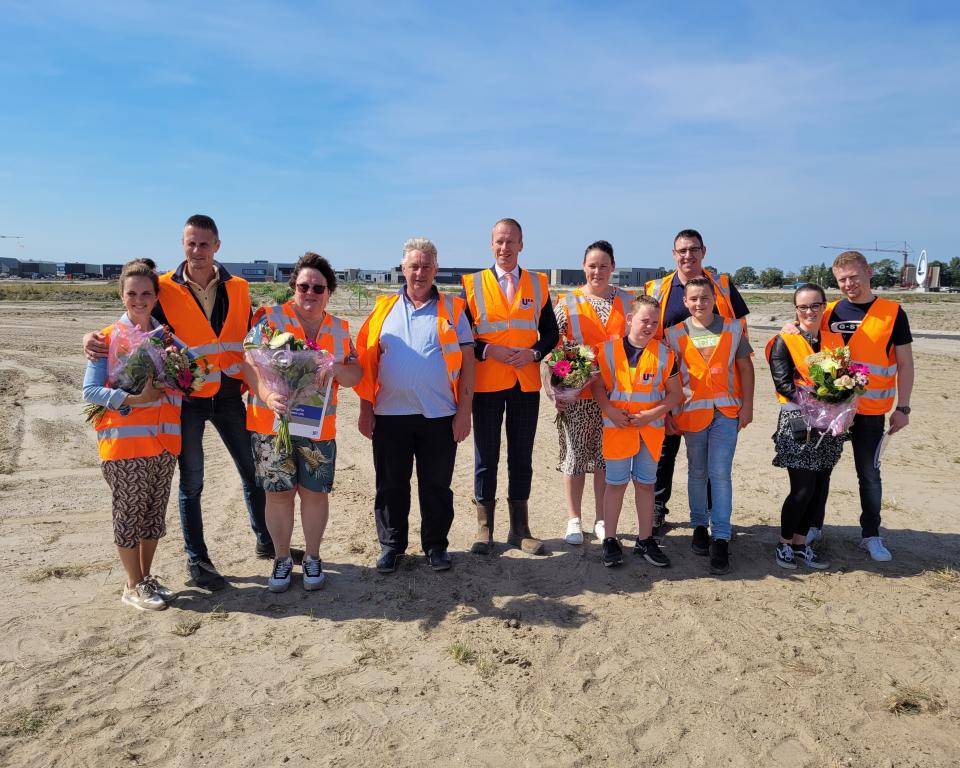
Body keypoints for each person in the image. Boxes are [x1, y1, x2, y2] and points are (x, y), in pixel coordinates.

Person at [84, 215, 272, 591]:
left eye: (204, 244)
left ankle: (268, 542)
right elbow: (134, 319)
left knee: (253, 473)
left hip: (231, 393)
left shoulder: (240, 287)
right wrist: (91, 338)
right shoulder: (164, 287)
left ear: (217, 245)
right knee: (193, 482)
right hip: (189, 398)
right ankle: (198, 561)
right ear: (182, 245)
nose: (197, 251)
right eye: (190, 244)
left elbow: (249, 329)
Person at [355, 238, 475, 573]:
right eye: (413, 266)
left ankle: (436, 546)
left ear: (436, 269)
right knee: (391, 485)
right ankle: (392, 546)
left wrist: (464, 413)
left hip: (439, 415)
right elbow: (367, 364)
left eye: (426, 266)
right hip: (389, 415)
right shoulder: (382, 310)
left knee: (436, 485)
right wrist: (366, 410)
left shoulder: (453, 310)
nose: (419, 273)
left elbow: (468, 366)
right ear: (403, 269)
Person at [244, 252, 361, 592]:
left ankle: (312, 557)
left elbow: (355, 374)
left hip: (317, 429)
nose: (310, 292)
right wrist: (267, 395)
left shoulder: (339, 330)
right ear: (293, 287)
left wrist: (336, 369)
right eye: (303, 285)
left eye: (318, 287)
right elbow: (248, 363)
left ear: (329, 291)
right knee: (278, 495)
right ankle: (281, 559)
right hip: (272, 426)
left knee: (314, 494)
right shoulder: (269, 319)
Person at [82, 259, 180, 611]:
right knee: (129, 516)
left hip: (164, 443)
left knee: (153, 516)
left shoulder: (167, 338)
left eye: (146, 293)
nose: (139, 299)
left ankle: (146, 577)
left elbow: (193, 369)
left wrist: (183, 374)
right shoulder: (105, 340)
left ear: (156, 297)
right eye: (132, 293)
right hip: (124, 445)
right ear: (122, 295)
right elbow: (90, 391)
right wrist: (134, 399)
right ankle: (132, 584)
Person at [461, 218, 560, 555]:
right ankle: (484, 528)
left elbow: (551, 333)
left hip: (524, 383)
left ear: (521, 244)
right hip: (486, 383)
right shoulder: (472, 284)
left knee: (522, 455)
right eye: (499, 242)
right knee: (486, 456)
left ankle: (519, 529)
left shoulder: (539, 284)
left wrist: (534, 353)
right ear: (491, 245)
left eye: (511, 242)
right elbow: (462, 335)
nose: (505, 248)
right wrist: (488, 349)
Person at [644, 229, 750, 532]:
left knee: (705, 462)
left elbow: (740, 335)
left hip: (714, 393)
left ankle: (707, 516)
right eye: (682, 251)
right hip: (669, 385)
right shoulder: (658, 288)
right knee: (665, 451)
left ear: (704, 251)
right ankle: (658, 508)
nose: (687, 255)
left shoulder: (724, 287)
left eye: (693, 249)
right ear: (673, 254)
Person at [820, 251, 913, 561]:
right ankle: (813, 527)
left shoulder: (892, 313)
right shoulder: (828, 312)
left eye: (854, 277)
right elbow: (810, 343)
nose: (848, 284)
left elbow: (904, 363)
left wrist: (904, 408)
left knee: (869, 474)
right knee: (820, 472)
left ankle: (871, 535)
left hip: (872, 412)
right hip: (833, 410)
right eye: (842, 280)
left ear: (869, 272)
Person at [665, 276, 755, 575]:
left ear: (714, 298)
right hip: (692, 414)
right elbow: (670, 376)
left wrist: (748, 406)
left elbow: (745, 366)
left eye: (705, 297)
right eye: (694, 299)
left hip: (726, 413)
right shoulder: (675, 334)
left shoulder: (732, 327)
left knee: (720, 473)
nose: (700, 303)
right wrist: (670, 412)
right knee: (697, 472)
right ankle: (699, 526)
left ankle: (721, 536)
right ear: (685, 302)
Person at [549, 240, 634, 545]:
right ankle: (574, 520)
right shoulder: (567, 303)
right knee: (575, 456)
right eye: (592, 265)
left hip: (616, 395)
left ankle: (601, 517)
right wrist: (557, 391)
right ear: (584, 267)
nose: (597, 271)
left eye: (604, 265)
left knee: (604, 459)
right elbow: (553, 349)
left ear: (613, 267)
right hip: (578, 395)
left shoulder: (628, 301)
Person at [591, 295, 682, 567]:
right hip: (617, 429)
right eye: (644, 320)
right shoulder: (606, 351)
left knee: (645, 485)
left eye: (655, 322)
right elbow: (597, 387)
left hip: (649, 431)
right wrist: (609, 410)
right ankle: (610, 539)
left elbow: (675, 394)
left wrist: (653, 414)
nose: (649, 326)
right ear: (630, 319)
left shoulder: (665, 354)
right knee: (615, 484)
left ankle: (645, 540)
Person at [765, 284, 844, 570]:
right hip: (798, 422)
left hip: (829, 424)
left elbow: (844, 376)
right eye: (803, 307)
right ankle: (784, 543)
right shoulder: (783, 340)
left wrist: (843, 394)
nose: (809, 312)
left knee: (819, 488)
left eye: (815, 305)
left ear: (824, 306)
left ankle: (800, 544)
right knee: (802, 488)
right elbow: (782, 383)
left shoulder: (835, 339)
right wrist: (821, 395)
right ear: (795, 310)